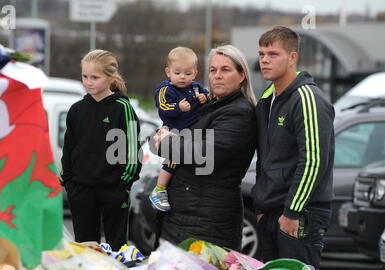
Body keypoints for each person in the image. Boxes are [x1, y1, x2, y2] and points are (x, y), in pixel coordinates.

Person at [150, 44, 257, 250]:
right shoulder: (210, 105)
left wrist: (167, 142)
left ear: (242, 75)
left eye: (225, 70)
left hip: (206, 221)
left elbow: (203, 153)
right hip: (187, 216)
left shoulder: (238, 113)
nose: (217, 75)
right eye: (213, 70)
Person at [252, 26, 335, 270]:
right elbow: (266, 158)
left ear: (292, 58)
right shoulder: (268, 98)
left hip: (299, 214)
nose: (265, 59)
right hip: (271, 212)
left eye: (273, 54)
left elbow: (313, 161)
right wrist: (261, 207)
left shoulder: (307, 97)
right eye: (262, 53)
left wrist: (292, 211)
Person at [60, 49, 142, 251]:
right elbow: (68, 148)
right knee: (86, 252)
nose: (88, 82)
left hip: (113, 191)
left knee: (117, 250)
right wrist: (69, 183)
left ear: (111, 78)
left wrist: (123, 184)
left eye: (95, 77)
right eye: (85, 76)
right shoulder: (76, 110)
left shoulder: (123, 108)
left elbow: (132, 149)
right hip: (81, 191)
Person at [149, 46, 209, 212]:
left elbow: (208, 98)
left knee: (188, 160)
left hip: (192, 131)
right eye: (177, 73)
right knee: (172, 160)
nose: (182, 77)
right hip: (174, 129)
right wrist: (178, 108)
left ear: (195, 73)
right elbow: (162, 107)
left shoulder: (196, 87)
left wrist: (204, 98)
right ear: (168, 72)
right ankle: (159, 189)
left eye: (188, 73)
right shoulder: (166, 89)